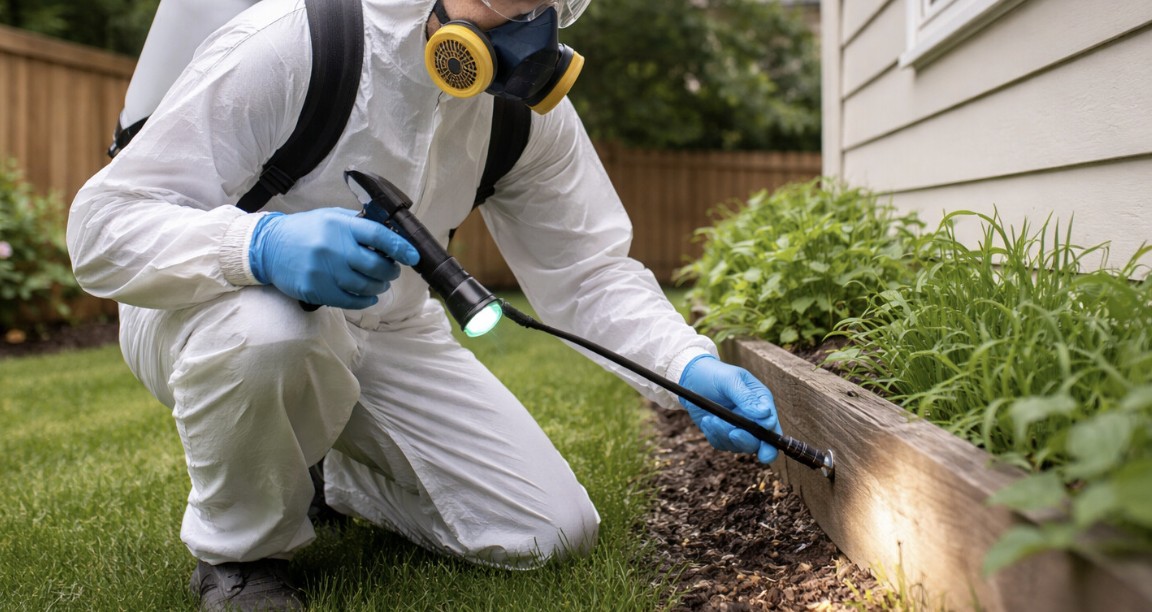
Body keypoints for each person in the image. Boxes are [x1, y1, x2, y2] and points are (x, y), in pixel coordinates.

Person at [66, 0, 783, 609]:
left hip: (389, 325)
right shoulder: (299, 41)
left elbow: (588, 271)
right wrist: (259, 244)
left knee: (550, 531)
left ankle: (325, 469)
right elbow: (103, 226)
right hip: (213, 308)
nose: (512, 19)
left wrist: (687, 366)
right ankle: (242, 558)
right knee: (275, 333)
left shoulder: (522, 112)